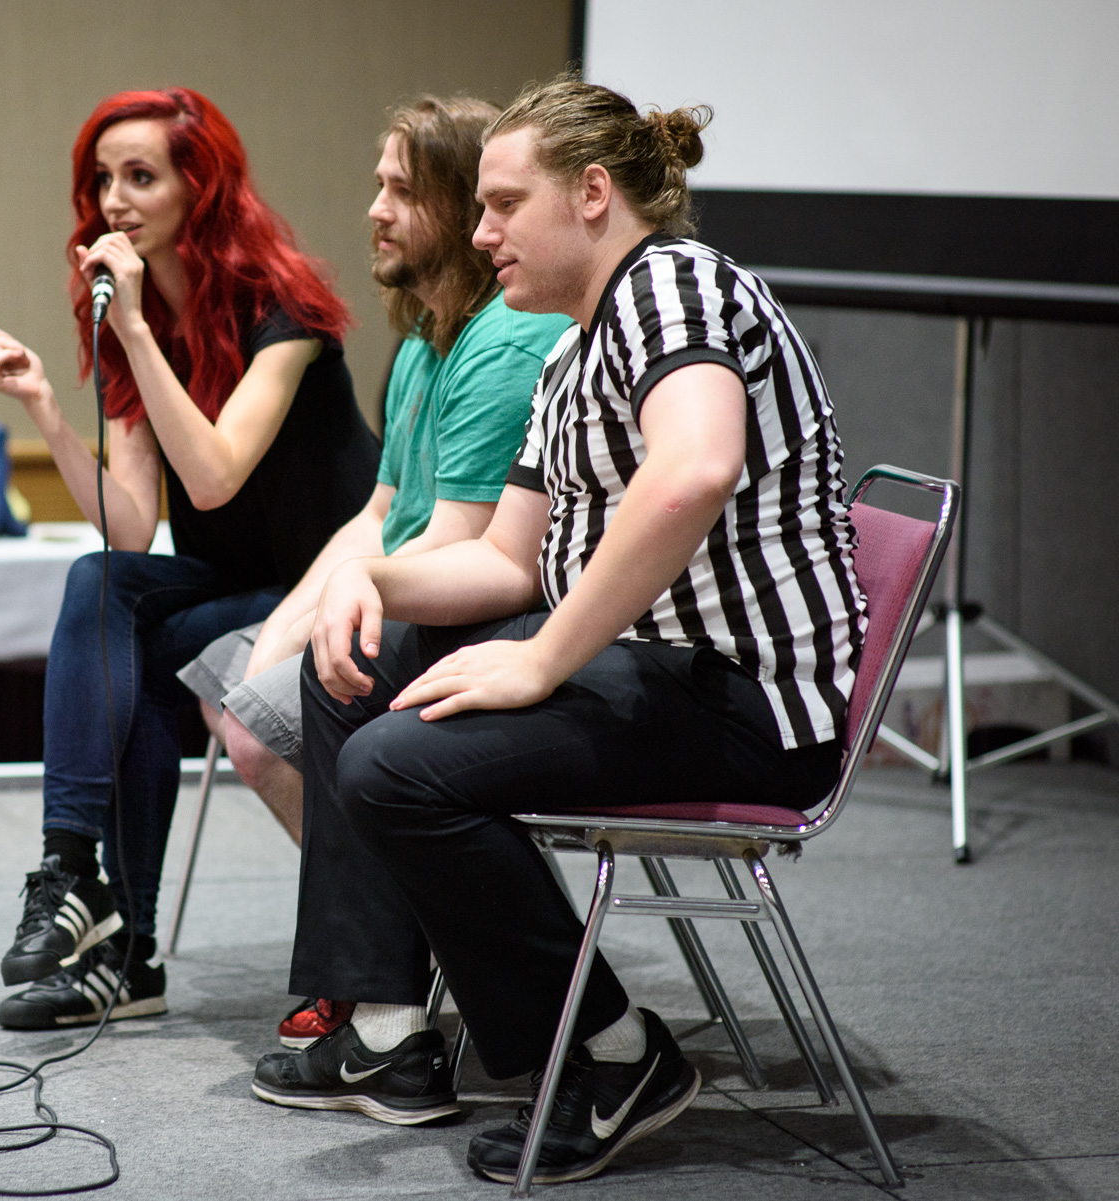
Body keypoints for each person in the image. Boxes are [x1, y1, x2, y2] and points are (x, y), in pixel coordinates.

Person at [251, 76, 866, 1187]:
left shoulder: (670, 285)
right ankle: (403, 1028)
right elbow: (505, 560)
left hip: (744, 700)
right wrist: (369, 582)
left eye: (503, 205)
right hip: (658, 670)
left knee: (396, 769)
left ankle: (613, 1052)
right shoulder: (575, 344)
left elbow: (696, 468)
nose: (481, 233)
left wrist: (542, 658)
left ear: (592, 194)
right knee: (357, 675)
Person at [0, 87, 379, 1030]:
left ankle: (122, 942)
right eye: (102, 181)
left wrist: (132, 330)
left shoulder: (282, 307)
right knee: (100, 584)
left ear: (202, 186)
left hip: (331, 581)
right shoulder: (132, 317)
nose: (114, 201)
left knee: (144, 651)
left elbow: (215, 477)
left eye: (140, 177)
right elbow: (128, 528)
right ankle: (75, 873)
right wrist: (46, 409)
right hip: (235, 583)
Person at [175, 95, 573, 1050]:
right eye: (378, 185)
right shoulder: (423, 340)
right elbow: (379, 515)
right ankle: (394, 946)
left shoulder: (504, 343)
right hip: (416, 590)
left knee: (266, 722)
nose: (375, 210)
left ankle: (391, 970)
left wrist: (307, 637)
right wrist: (282, 631)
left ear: (463, 210)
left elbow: (467, 544)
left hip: (481, 612)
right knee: (227, 682)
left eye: (402, 190)